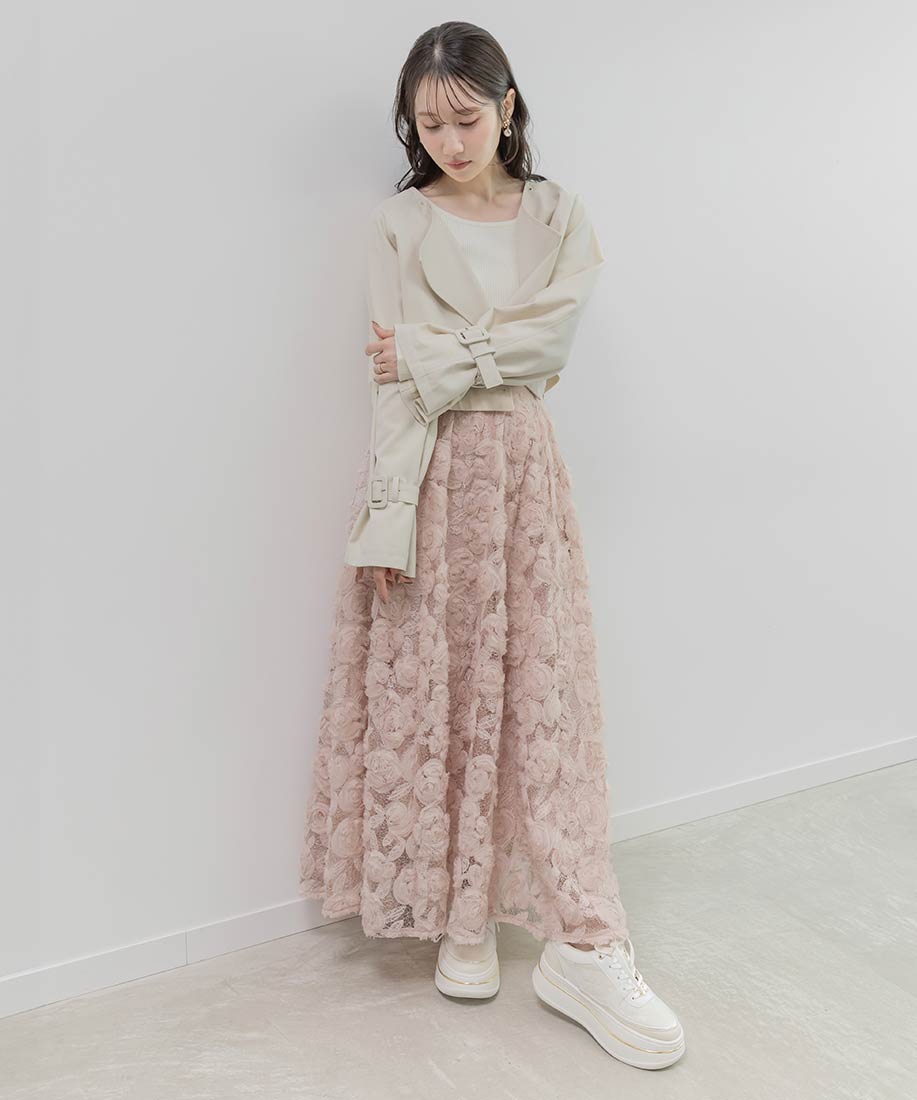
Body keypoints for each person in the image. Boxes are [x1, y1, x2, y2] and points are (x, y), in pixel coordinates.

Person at [299, 20, 685, 1070]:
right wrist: (388, 514)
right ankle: (458, 918)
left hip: (521, 468)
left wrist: (434, 351)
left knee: (535, 685)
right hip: (428, 473)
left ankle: (578, 935)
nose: (449, 141)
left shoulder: (558, 215)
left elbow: (549, 343)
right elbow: (390, 384)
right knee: (443, 683)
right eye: (428, 125)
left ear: (506, 106)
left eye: (465, 118)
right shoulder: (396, 222)